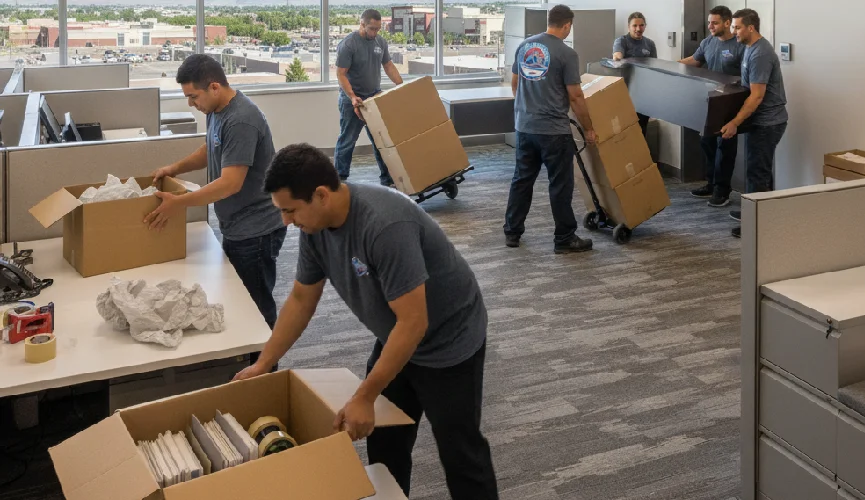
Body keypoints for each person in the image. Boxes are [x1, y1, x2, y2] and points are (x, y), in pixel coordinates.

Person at [234, 143, 500, 500]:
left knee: (460, 452)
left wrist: (364, 395)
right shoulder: (314, 230)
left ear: (321, 195)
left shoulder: (384, 225)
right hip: (397, 333)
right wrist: (264, 364)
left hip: (448, 341)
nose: (285, 221)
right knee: (384, 440)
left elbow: (414, 322)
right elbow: (300, 299)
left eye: (290, 210)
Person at [144, 54, 286, 332]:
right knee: (239, 296)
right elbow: (210, 148)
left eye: (193, 96)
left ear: (214, 87)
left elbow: (230, 183)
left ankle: (266, 367)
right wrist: (175, 168)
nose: (190, 104)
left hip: (256, 230)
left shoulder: (241, 120)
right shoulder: (215, 111)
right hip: (236, 223)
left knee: (256, 304)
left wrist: (180, 203)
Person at [503, 4, 595, 254]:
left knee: (522, 180)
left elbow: (514, 83)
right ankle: (564, 238)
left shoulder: (524, 46)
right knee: (560, 185)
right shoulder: (567, 53)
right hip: (553, 131)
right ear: (567, 25)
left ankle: (512, 231)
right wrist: (589, 128)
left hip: (524, 127)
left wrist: (527, 108)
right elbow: (575, 96)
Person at [720, 8, 788, 238]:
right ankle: (759, 213)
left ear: (751, 28)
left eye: (737, 27)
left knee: (757, 172)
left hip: (768, 122)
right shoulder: (749, 48)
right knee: (759, 170)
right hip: (760, 121)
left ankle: (756, 226)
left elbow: (757, 95)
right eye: (733, 27)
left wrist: (735, 122)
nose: (733, 31)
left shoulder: (761, 53)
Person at [679, 5, 745, 208]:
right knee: (707, 143)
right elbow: (695, 61)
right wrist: (669, 65)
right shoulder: (708, 42)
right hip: (709, 102)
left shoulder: (739, 45)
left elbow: (748, 74)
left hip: (730, 105)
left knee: (725, 148)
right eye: (709, 22)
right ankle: (711, 182)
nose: (710, 26)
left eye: (714, 23)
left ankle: (722, 190)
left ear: (727, 23)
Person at [334, 9, 403, 187]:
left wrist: (401, 86)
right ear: (362, 24)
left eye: (378, 29)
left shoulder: (380, 42)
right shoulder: (348, 44)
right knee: (348, 139)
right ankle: (338, 180)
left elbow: (388, 65)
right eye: (371, 29)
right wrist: (352, 97)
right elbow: (341, 74)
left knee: (381, 139)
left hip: (373, 97)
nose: (375, 33)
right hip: (353, 100)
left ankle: (387, 179)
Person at [613, 12, 657, 136]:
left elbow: (654, 66)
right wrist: (619, 57)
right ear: (629, 27)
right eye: (635, 26)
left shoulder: (650, 44)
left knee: (642, 129)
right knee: (626, 131)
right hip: (626, 93)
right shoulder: (622, 41)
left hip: (644, 95)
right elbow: (617, 56)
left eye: (641, 25)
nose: (638, 29)